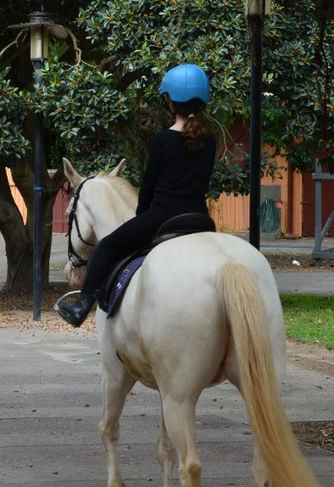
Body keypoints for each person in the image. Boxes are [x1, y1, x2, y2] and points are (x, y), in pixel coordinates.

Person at [56, 63, 217, 327]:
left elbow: (149, 187)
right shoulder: (209, 140)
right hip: (200, 219)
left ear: (170, 101)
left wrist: (141, 216)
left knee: (106, 247)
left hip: (163, 217)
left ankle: (81, 306)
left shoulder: (162, 140)